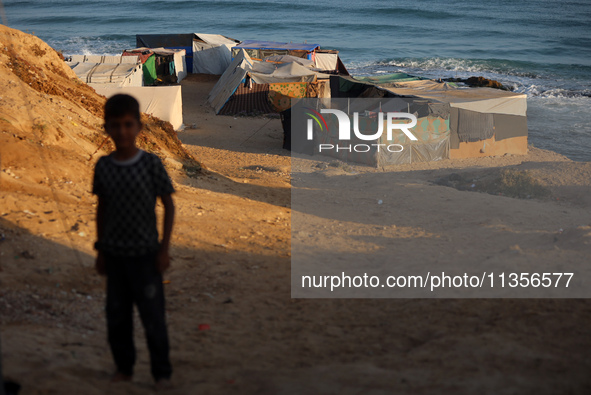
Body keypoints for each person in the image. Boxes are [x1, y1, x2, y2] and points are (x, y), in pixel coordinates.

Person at [92, 94, 175, 389]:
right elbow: (101, 209)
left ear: (139, 127)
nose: (122, 131)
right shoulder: (103, 167)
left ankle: (161, 373)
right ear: (107, 128)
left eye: (128, 125)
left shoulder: (151, 164)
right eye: (116, 125)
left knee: (153, 319)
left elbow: (169, 205)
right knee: (118, 318)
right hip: (115, 257)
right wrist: (100, 250)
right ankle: (124, 369)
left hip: (146, 257)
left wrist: (164, 250)